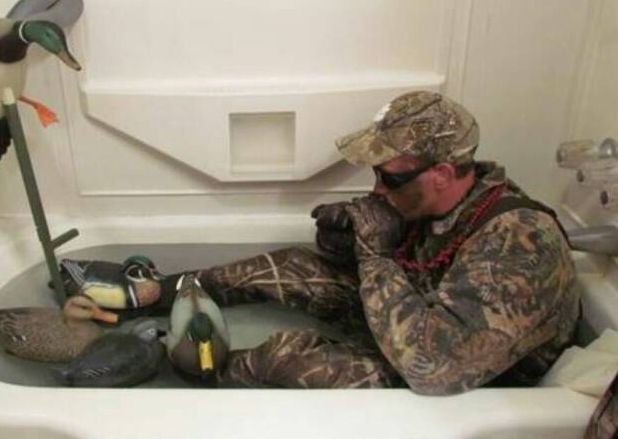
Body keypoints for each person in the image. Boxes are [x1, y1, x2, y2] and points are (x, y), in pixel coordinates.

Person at [168, 91, 581, 394]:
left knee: (286, 358)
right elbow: (418, 264)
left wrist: (375, 255)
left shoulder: (522, 245)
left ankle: (191, 378)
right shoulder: (443, 202)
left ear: (441, 174)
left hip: (461, 380)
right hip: (414, 319)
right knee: (295, 266)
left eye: (390, 178)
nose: (378, 188)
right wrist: (348, 238)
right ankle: (167, 290)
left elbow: (433, 368)